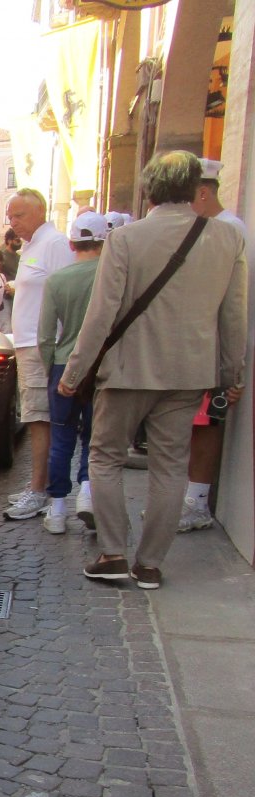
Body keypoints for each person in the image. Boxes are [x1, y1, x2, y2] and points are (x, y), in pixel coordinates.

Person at [59, 151, 247, 590]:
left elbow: (101, 314)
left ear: (149, 190)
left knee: (105, 457)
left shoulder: (126, 239)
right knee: (171, 466)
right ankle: (150, 565)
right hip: (189, 372)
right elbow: (233, 315)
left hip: (128, 369)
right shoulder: (226, 238)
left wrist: (74, 372)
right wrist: (230, 374)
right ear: (196, 187)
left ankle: (113, 553)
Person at [180, 158, 248, 531]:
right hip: (201, 346)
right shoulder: (213, 227)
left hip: (215, 348)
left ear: (203, 193)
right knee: (196, 424)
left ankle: (197, 504)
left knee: (206, 424)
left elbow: (234, 303)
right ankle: (189, 500)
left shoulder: (228, 230)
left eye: (187, 196)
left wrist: (233, 368)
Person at [4, 189, 76, 522]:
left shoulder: (54, 243)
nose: (13, 222)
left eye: (19, 215)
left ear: (40, 211)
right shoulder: (33, 245)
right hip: (29, 343)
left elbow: (66, 296)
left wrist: (57, 345)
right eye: (10, 216)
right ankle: (40, 485)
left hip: (43, 345)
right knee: (36, 416)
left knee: (40, 417)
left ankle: (39, 490)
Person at [36, 212, 105, 535]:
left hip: (64, 363)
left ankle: (58, 508)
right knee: (95, 435)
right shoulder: (111, 275)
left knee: (61, 436)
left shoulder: (57, 280)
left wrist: (51, 368)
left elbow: (45, 335)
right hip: (102, 366)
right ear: (104, 242)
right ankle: (88, 493)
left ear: (72, 243)